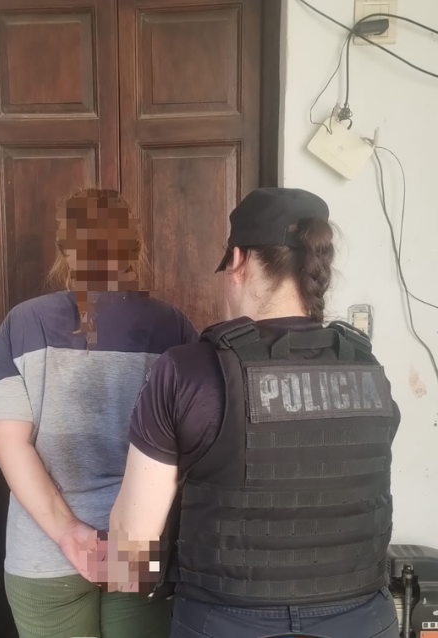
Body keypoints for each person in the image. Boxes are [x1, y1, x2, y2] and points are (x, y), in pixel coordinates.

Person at [104, 187, 401, 638]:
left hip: (225, 622)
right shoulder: (368, 367)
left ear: (239, 260)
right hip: (363, 620)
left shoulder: (187, 371)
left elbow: (131, 549)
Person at [0, 188, 199, 638]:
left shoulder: (22, 324)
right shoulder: (172, 326)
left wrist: (69, 533)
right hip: (139, 546)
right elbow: (195, 436)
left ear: (64, 250)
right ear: (134, 250)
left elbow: (4, 438)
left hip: (43, 553)